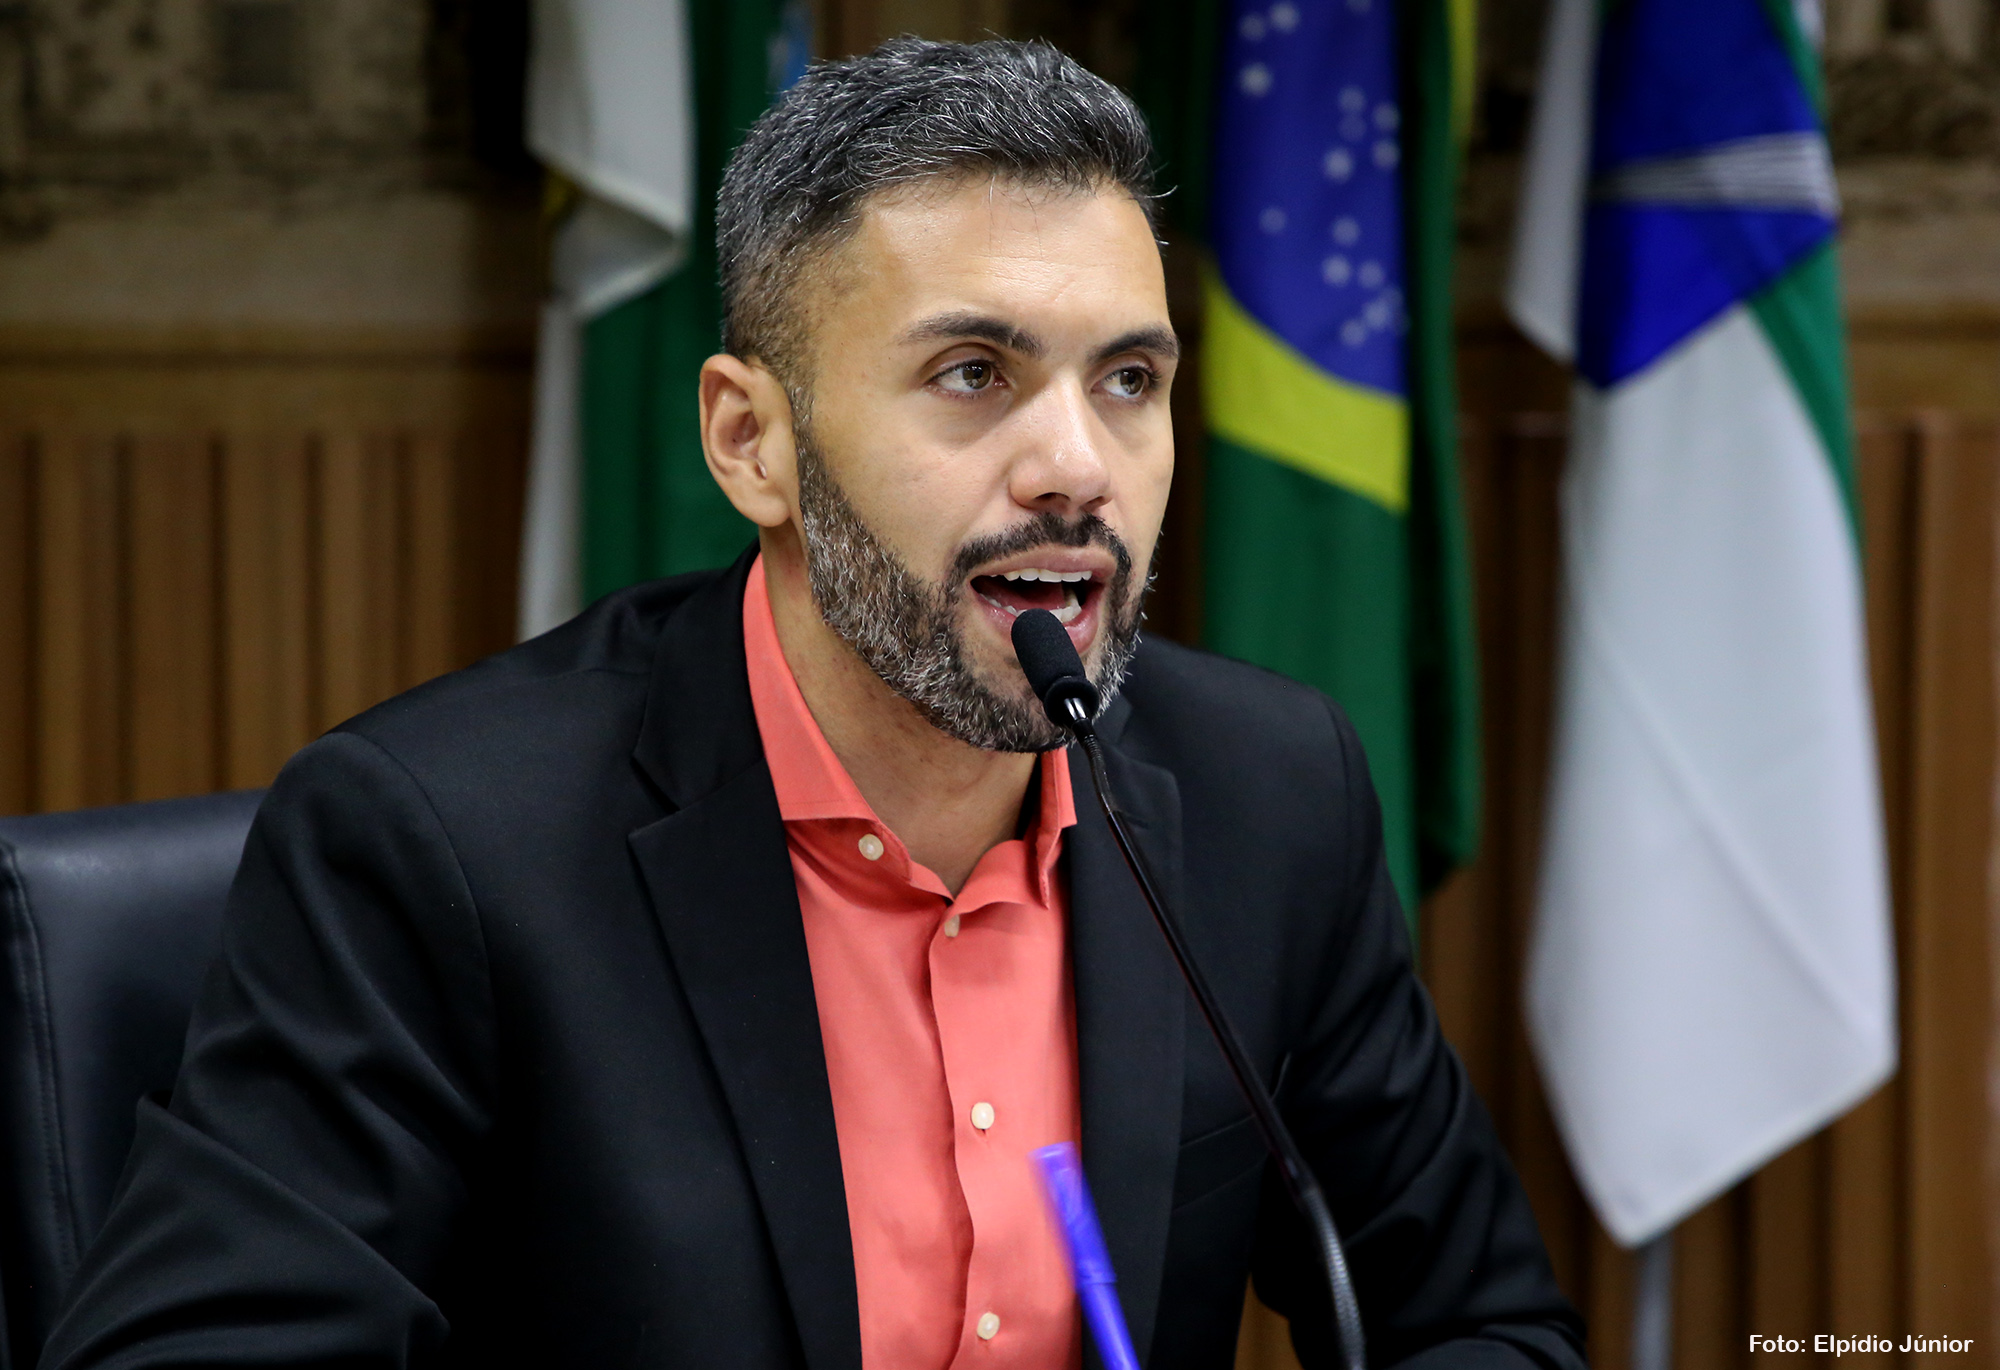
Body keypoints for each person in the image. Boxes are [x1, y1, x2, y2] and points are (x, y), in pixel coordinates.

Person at [43, 38, 1584, 1370]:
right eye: (974, 374)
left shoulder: (1270, 794)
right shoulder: (440, 843)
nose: (1077, 466)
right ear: (751, 443)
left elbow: (1483, 1322)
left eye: (1129, 379)